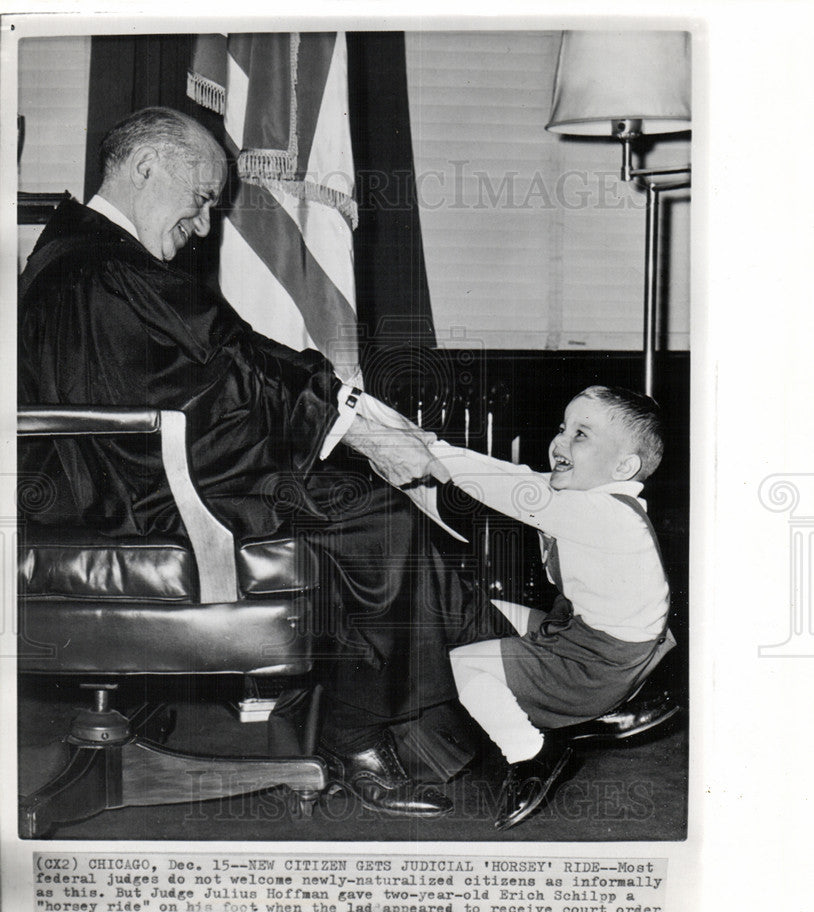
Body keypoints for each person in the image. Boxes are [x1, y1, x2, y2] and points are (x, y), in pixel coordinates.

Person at [17, 106, 492, 819]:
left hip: (115, 479)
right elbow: (229, 368)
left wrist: (344, 417)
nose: (205, 226)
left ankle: (525, 691)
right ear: (146, 167)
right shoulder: (106, 263)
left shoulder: (80, 249)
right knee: (374, 520)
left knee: (344, 505)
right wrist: (352, 427)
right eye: (202, 198)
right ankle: (378, 734)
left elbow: (216, 364)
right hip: (127, 495)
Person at [430, 386, 676, 830]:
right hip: (581, 632)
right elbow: (514, 473)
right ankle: (579, 714)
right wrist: (430, 448)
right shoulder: (592, 497)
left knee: (460, 664)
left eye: (581, 435)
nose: (560, 442)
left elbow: (515, 491)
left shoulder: (605, 515)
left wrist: (433, 459)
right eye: (563, 428)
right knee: (481, 611)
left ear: (624, 466)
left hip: (596, 662)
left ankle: (532, 754)